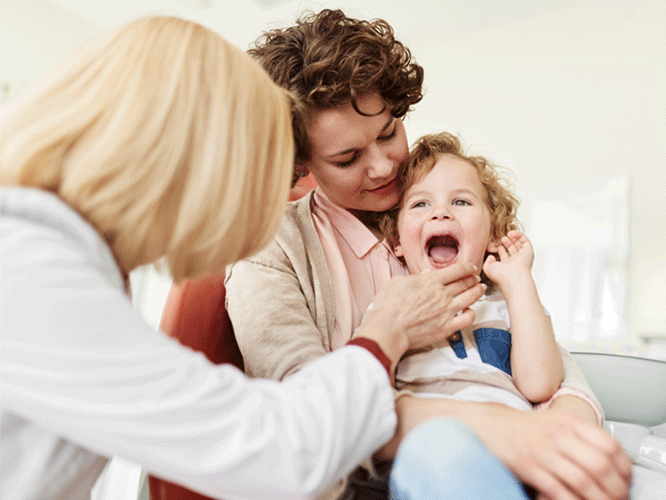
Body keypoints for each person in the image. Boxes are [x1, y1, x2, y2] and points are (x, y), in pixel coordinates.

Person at [0, 16, 480, 500]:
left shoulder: (65, 263)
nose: (246, 205)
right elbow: (276, 452)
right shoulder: (28, 271)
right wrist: (387, 332)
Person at [225, 9, 633, 500]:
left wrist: (566, 420)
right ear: (300, 162)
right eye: (347, 159)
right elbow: (306, 413)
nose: (382, 169)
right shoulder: (271, 252)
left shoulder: (435, 211)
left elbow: (516, 343)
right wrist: (502, 429)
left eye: (388, 132)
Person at [383, 132, 564, 412]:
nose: (440, 212)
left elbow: (540, 385)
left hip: (510, 440)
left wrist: (518, 280)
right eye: (421, 204)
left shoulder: (512, 308)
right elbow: (367, 393)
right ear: (397, 241)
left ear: (494, 234)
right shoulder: (390, 307)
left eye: (461, 202)